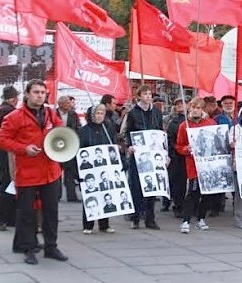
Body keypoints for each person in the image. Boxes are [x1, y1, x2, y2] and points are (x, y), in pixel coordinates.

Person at [0, 79, 68, 265]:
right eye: (36, 92)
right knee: (26, 213)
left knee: (51, 211)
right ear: (27, 94)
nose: (40, 96)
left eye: (43, 93)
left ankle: (51, 247)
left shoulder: (51, 114)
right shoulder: (14, 116)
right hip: (27, 172)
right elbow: (2, 140)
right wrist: (23, 148)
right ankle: (28, 248)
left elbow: (61, 131)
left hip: (50, 171)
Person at [175, 97, 217, 234]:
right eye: (193, 107)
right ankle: (186, 220)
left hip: (207, 165)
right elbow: (179, 145)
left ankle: (201, 218)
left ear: (202, 109)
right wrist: (186, 149)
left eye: (198, 108)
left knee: (206, 194)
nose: (195, 110)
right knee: (192, 193)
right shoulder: (184, 125)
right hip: (193, 164)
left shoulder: (210, 123)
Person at [125, 85, 163, 230]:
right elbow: (128, 132)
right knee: (136, 187)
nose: (148, 96)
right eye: (145, 94)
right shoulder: (133, 112)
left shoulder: (157, 112)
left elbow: (160, 131)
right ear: (139, 96)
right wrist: (130, 145)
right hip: (138, 153)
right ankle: (135, 218)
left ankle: (150, 218)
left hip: (153, 153)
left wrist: (163, 151)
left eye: (149, 94)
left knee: (152, 186)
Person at [78, 104, 116, 234]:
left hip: (104, 168)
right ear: (92, 115)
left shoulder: (107, 129)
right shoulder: (83, 131)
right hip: (89, 170)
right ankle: (88, 225)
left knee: (105, 194)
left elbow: (112, 145)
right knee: (90, 195)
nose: (99, 116)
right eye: (97, 113)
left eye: (102, 113)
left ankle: (104, 224)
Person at [0, 86, 19, 231]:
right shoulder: (8, 111)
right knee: (6, 184)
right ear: (14, 99)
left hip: (4, 152)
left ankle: (8, 218)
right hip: (6, 153)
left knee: (8, 184)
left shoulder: (3, 109)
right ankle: (0, 218)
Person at [56, 95, 81, 202]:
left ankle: (72, 196)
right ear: (60, 104)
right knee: (56, 172)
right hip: (56, 146)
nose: (69, 104)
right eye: (67, 102)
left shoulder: (73, 114)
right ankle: (56, 195)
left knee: (69, 171)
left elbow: (78, 127)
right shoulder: (53, 114)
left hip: (70, 145)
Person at [167, 97, 187, 217]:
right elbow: (169, 139)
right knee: (178, 183)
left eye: (182, 103)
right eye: (177, 104)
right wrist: (174, 149)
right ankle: (178, 206)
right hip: (178, 156)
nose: (179, 105)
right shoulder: (173, 122)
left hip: (190, 156)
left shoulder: (191, 120)